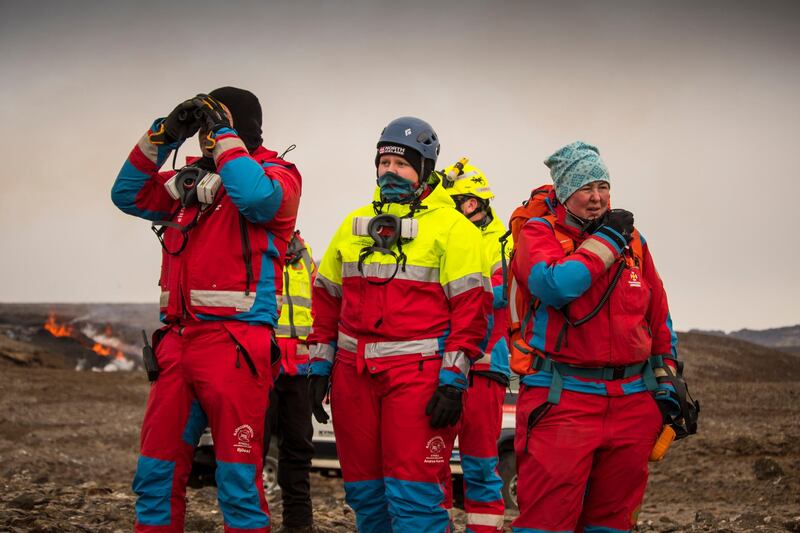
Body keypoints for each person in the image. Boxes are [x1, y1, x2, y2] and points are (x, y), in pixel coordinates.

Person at [111, 87, 302, 533]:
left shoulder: (278, 175)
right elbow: (125, 194)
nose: (206, 139)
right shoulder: (189, 186)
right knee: (155, 474)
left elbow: (257, 201)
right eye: (203, 129)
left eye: (214, 128)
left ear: (242, 129)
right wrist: (163, 135)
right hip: (177, 346)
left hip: (235, 346)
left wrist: (224, 134)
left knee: (237, 481)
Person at [306, 117, 489, 533]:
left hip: (419, 379)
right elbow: (326, 300)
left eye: (402, 164)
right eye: (383, 161)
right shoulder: (353, 226)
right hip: (354, 379)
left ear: (425, 169)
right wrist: (319, 367)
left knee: (414, 499)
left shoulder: (454, 229)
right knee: (366, 497)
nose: (390, 171)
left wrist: (453, 381)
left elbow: (471, 312)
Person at [510, 141, 693, 532]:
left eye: (602, 187)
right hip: (562, 399)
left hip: (631, 401)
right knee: (547, 521)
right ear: (563, 192)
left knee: (613, 521)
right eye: (584, 188)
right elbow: (556, 286)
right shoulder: (538, 234)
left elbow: (658, 316)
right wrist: (608, 240)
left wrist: (667, 378)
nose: (596, 198)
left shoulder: (635, 242)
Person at [443, 162, 510, 533]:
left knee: (481, 464)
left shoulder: (504, 240)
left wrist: (453, 295)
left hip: (484, 367)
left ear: (472, 203)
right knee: (430, 460)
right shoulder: (446, 234)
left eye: (458, 202)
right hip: (440, 366)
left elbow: (501, 295)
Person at [265, 230, 317, 533]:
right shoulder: (253, 243)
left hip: (298, 371)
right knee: (251, 451)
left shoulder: (305, 253)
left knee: (299, 449)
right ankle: (250, 524)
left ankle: (299, 525)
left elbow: (319, 305)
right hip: (261, 366)